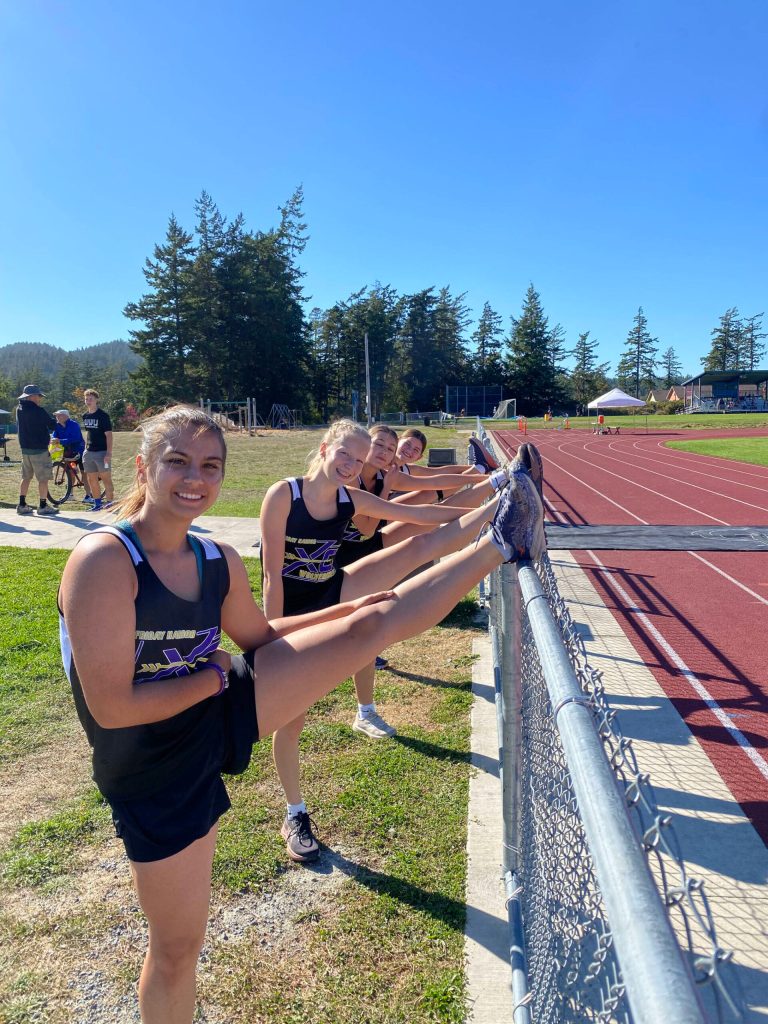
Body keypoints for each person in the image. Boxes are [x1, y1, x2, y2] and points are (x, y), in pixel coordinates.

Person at [59, 405, 545, 1024]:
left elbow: (258, 636)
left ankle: (505, 537)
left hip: (214, 709)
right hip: (151, 771)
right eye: (177, 461)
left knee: (371, 621)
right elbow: (113, 706)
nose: (195, 479)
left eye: (210, 465)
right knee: (180, 947)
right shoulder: (104, 560)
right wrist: (211, 674)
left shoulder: (215, 561)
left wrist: (339, 615)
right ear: (143, 466)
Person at [259, 419, 509, 861]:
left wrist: (490, 503)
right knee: (290, 719)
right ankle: (295, 812)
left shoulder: (351, 497)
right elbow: (270, 577)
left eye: (357, 461)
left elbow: (423, 518)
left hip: (334, 586)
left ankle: (504, 515)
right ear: (323, 448)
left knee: (418, 546)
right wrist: (272, 637)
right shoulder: (284, 495)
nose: (351, 466)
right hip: (294, 610)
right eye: (345, 455)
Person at [15, 384, 58, 516]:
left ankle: (21, 505)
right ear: (31, 396)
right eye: (38, 395)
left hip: (25, 449)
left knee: (26, 477)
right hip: (39, 450)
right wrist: (58, 419)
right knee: (43, 479)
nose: (40, 398)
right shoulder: (39, 410)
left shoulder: (19, 409)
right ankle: (43, 506)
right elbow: (51, 425)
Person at [82, 388, 114, 511]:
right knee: (91, 479)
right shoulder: (85, 416)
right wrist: (86, 448)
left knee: (106, 478)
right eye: (86, 399)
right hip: (89, 453)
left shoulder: (103, 416)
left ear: (96, 400)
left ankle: (110, 503)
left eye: (91, 399)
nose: (88, 401)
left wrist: (108, 453)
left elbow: (109, 435)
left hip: (102, 453)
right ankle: (97, 504)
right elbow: (89, 433)